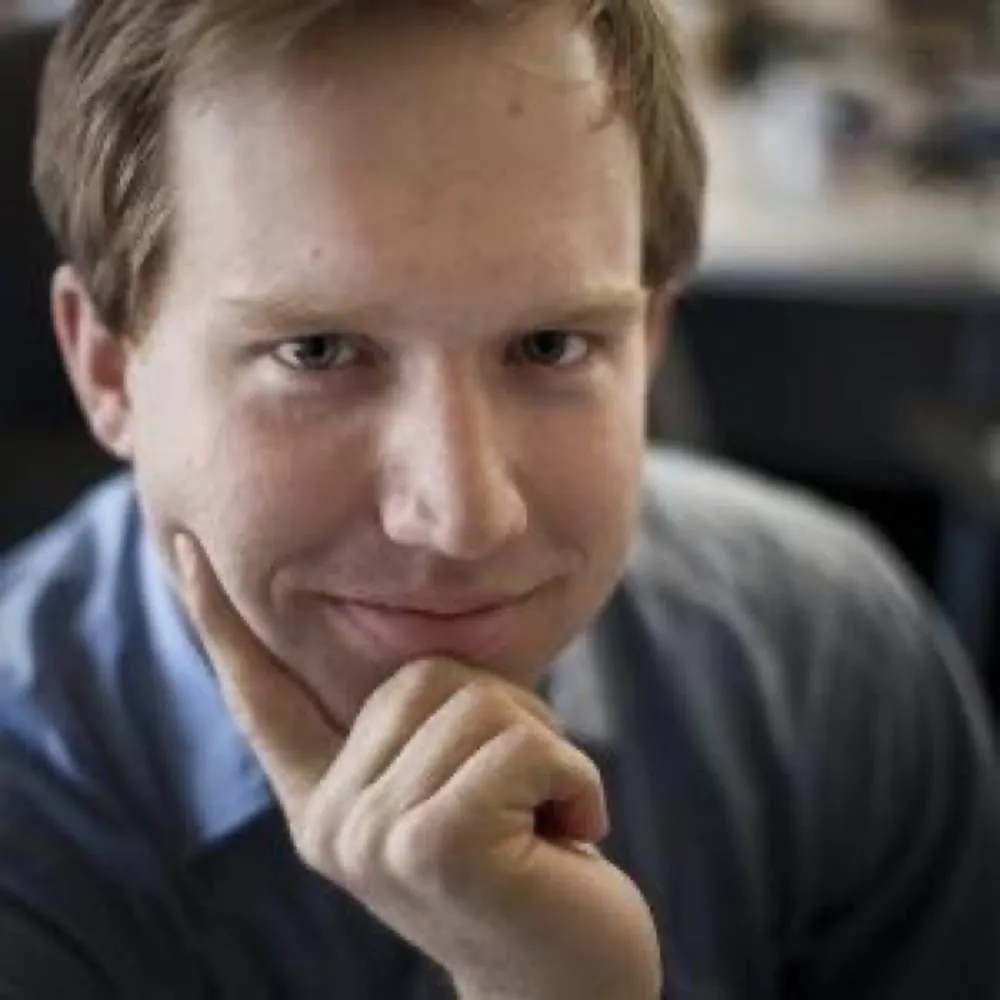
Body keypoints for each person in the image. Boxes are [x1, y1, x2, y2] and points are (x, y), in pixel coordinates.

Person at [1, 1, 998, 997]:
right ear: (107, 369)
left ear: (649, 341)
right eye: (316, 352)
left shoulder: (832, 666)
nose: (463, 517)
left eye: (551, 345)